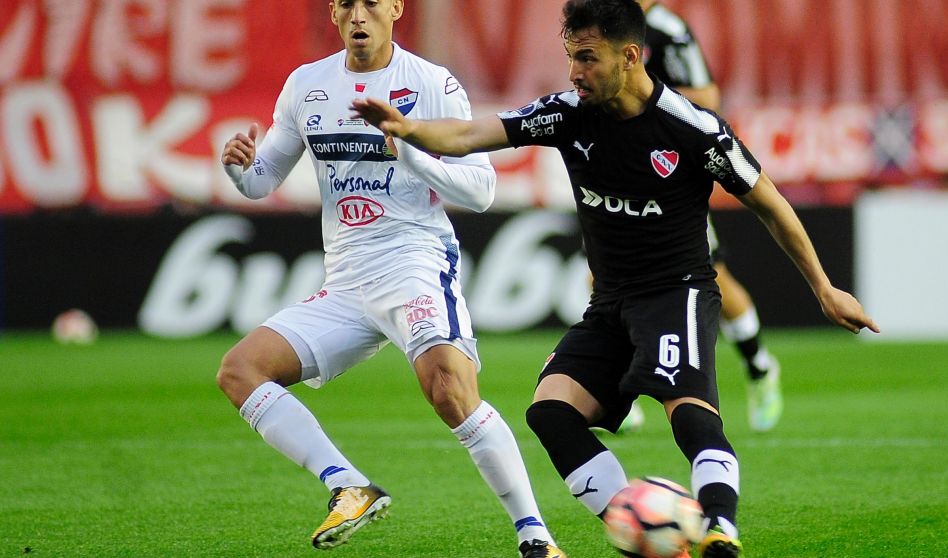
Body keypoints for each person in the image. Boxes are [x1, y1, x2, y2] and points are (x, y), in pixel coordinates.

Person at [350, 0, 879, 556]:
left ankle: (721, 529)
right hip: (609, 303)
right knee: (551, 413)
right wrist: (408, 129)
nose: (574, 72)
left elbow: (770, 203)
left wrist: (823, 287)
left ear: (629, 56)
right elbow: (470, 134)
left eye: (587, 58)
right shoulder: (567, 113)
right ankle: (641, 523)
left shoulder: (693, 129)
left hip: (677, 293)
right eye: (570, 57)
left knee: (688, 414)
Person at [217, 1, 566, 557]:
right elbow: (263, 181)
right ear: (333, 13)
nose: (359, 15)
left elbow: (481, 191)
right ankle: (347, 485)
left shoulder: (431, 83)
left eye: (372, 3)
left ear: (397, 8)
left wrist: (410, 151)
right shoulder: (307, 85)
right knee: (240, 371)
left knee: (450, 389)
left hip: (413, 261)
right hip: (345, 279)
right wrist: (240, 170)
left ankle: (536, 537)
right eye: (347, 4)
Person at [631, 0, 783, 433]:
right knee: (599, 276)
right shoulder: (607, 19)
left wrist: (643, 93)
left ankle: (759, 366)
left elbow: (707, 98)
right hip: (622, 169)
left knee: (714, 277)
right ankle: (615, 393)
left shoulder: (667, 31)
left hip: (667, 173)